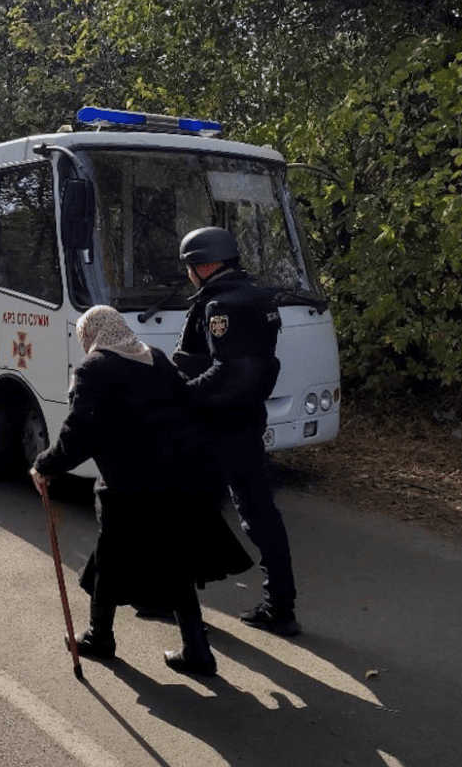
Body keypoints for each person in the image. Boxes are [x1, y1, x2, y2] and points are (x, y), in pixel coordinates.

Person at [30, 305, 252, 677]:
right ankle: (196, 650)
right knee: (174, 562)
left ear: (92, 334)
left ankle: (101, 636)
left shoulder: (93, 369)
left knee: (109, 559)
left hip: (130, 487)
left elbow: (79, 433)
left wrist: (44, 465)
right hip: (180, 478)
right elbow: (190, 408)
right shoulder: (157, 359)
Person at [171, 226, 301, 636]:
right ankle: (280, 605)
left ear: (204, 265)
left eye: (190, 266)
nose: (188, 274)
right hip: (245, 422)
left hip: (216, 426)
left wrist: (180, 395)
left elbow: (231, 371)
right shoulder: (257, 297)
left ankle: (179, 607)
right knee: (259, 512)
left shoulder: (221, 306)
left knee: (183, 511)